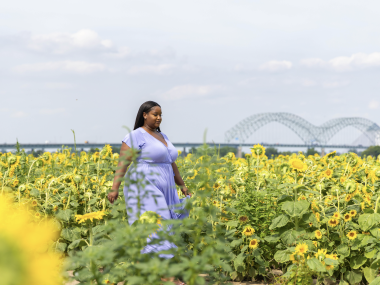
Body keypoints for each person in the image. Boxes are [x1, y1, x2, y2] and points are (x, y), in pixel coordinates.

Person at [107, 101, 191, 285]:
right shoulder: (134, 136)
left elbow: (171, 162)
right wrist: (115, 188)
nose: (159, 118)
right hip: (144, 185)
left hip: (165, 185)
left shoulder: (163, 136)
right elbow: (123, 163)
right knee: (156, 225)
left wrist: (182, 185)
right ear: (145, 115)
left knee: (165, 226)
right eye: (155, 114)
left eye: (161, 115)